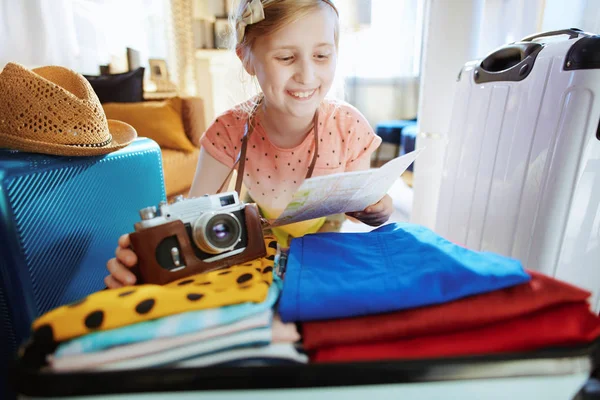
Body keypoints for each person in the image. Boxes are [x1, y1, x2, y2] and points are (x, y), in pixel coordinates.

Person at [104, 0, 393, 289]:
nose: (307, 75)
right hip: (255, 263)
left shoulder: (350, 128)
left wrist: (377, 210)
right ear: (247, 59)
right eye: (285, 58)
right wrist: (147, 257)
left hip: (325, 263)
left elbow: (358, 216)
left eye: (321, 55)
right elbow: (189, 219)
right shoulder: (228, 131)